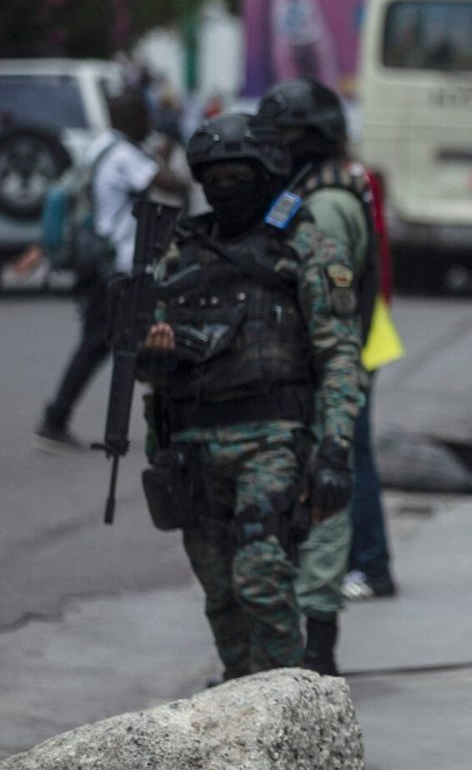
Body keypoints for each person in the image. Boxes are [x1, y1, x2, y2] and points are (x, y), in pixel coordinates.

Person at [139, 113, 366, 679]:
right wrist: (155, 354)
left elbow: (339, 354)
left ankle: (289, 702)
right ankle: (242, 705)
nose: (224, 188)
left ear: (267, 173)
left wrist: (335, 447)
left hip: (271, 443)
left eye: (238, 175)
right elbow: (145, 358)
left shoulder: (306, 247)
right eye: (214, 176)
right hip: (190, 446)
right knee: (221, 594)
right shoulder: (177, 250)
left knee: (261, 576)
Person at [258, 77, 397, 676]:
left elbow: (326, 310)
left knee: (332, 488)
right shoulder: (308, 192)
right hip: (313, 373)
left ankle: (315, 655)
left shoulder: (329, 205)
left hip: (329, 373)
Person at [35, 87, 188, 450]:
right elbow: (172, 184)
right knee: (138, 340)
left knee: (103, 343)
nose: (150, 123)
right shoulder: (124, 155)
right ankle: (57, 419)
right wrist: (163, 156)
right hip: (118, 266)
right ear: (135, 119)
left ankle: (57, 418)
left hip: (99, 260)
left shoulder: (101, 145)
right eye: (145, 116)